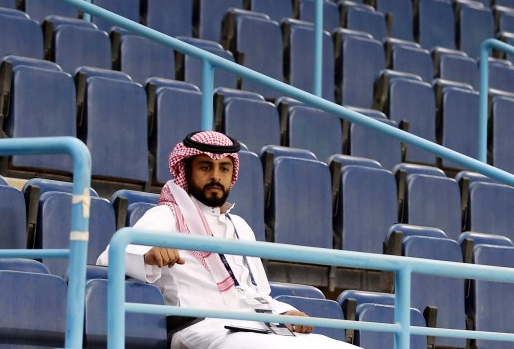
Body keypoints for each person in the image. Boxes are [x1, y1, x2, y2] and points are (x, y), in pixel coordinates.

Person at [97, 130, 351, 349]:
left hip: (257, 327)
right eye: (205, 167)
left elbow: (252, 292)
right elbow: (110, 256)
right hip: (200, 328)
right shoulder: (167, 215)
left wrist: (283, 311)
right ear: (186, 170)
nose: (216, 176)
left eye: (224, 168)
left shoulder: (240, 226)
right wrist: (148, 255)